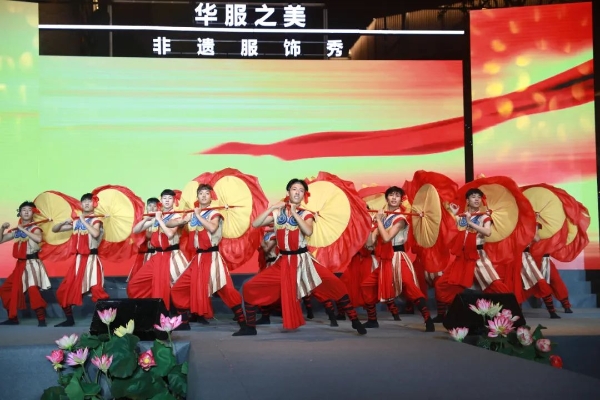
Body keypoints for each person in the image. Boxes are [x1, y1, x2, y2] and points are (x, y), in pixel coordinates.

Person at [233, 178, 367, 336]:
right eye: (294, 189)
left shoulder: (306, 214)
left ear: (304, 195)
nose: (297, 192)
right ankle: (250, 327)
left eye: (301, 190)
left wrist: (295, 213)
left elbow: (308, 231)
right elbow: (255, 224)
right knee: (249, 287)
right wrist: (272, 208)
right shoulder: (278, 213)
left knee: (336, 285)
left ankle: (354, 320)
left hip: (304, 261)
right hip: (283, 262)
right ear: (288, 192)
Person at [170, 184, 246, 329]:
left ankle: (244, 324)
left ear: (211, 197)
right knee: (178, 288)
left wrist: (198, 215)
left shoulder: (214, 213)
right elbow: (169, 223)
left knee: (226, 290)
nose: (204, 196)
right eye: (201, 193)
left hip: (212, 257)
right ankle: (184, 322)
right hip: (197, 259)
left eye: (206, 193)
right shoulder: (192, 214)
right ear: (197, 197)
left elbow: (212, 228)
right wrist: (182, 220)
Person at [360, 187, 434, 332]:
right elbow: (369, 244)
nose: (394, 198)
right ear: (387, 198)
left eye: (397, 196)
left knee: (410, 287)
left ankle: (428, 319)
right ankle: (372, 320)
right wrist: (369, 224)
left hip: (398, 257)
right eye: (391, 195)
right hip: (385, 260)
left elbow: (387, 238)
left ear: (401, 200)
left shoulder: (401, 219)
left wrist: (379, 222)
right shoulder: (384, 217)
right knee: (366, 285)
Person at [433, 188, 510, 322]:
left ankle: (510, 311)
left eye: (479, 197)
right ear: (467, 200)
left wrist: (470, 223)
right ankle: (444, 314)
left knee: (495, 285)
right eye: (473, 197)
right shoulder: (462, 217)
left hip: (478, 255)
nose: (476, 199)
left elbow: (487, 232)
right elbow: (447, 228)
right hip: (462, 257)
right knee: (442, 284)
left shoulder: (484, 216)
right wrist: (452, 214)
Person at [127, 190, 188, 327]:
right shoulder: (157, 216)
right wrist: (147, 218)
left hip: (172, 255)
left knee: (177, 287)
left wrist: (159, 219)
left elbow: (170, 234)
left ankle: (183, 319)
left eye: (170, 198)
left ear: (174, 201)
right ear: (161, 200)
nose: (167, 200)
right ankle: (151, 311)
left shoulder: (176, 216)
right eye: (164, 198)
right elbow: (136, 230)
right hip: (157, 256)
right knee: (134, 284)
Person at [53, 193, 109, 327]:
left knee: (97, 290)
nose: (87, 204)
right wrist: (63, 223)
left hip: (91, 260)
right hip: (78, 261)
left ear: (94, 204)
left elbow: (95, 233)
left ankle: (108, 321)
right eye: (84, 202)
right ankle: (69, 319)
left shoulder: (96, 220)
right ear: (81, 204)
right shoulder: (76, 221)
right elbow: (55, 230)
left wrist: (83, 220)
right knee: (64, 290)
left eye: (89, 201)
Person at [0, 201, 51, 326]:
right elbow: (1, 240)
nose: (27, 212)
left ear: (33, 213)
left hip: (32, 263)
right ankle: (13, 318)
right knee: (6, 289)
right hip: (20, 265)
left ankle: (41, 319)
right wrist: (2, 228)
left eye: (29, 210)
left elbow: (38, 238)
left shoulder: (35, 228)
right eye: (24, 210)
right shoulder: (17, 230)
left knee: (33, 290)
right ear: (20, 213)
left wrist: (23, 229)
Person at [127, 198, 158, 282]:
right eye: (150, 206)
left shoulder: (161, 220)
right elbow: (136, 232)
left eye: (155, 206)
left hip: (156, 254)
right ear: (146, 207)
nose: (152, 208)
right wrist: (146, 220)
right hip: (143, 255)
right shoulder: (140, 220)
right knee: (138, 281)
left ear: (158, 208)